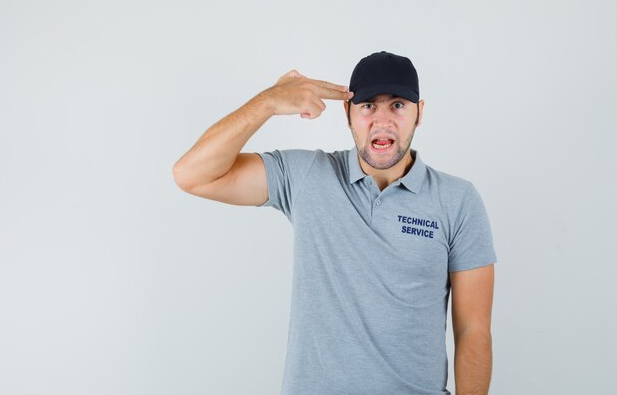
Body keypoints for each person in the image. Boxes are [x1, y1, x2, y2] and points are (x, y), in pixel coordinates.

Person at [173, 51, 497, 395]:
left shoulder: (458, 200)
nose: (382, 120)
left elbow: (473, 330)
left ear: (419, 114)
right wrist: (267, 102)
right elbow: (192, 175)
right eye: (368, 105)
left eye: (398, 105)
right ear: (348, 113)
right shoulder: (307, 177)